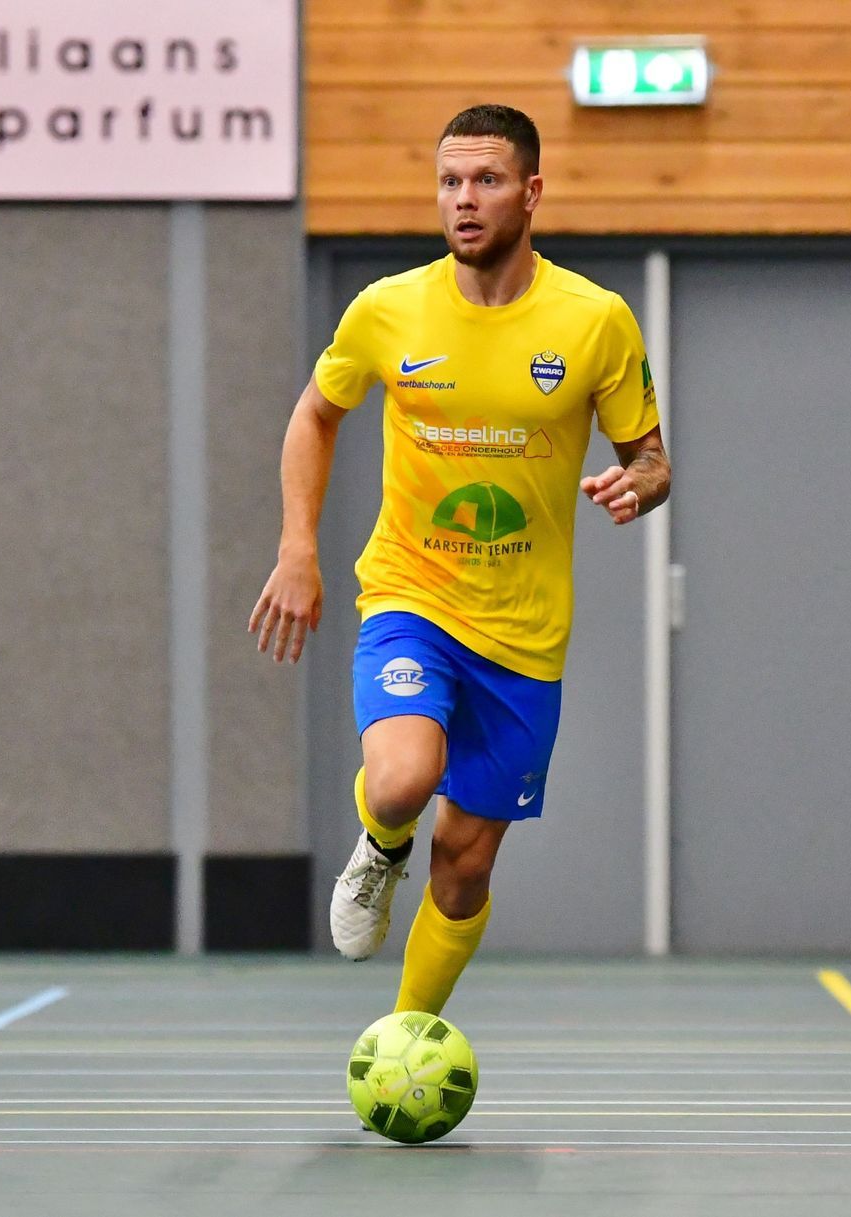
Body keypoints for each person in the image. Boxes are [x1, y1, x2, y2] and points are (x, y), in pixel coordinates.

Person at [249, 104, 669, 1018]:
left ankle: (408, 1032)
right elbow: (317, 413)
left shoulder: (595, 321)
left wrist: (638, 484)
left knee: (465, 864)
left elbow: (650, 455)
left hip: (523, 635)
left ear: (532, 192)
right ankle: (379, 844)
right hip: (412, 594)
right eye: (449, 181)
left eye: (485, 180)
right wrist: (297, 548)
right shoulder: (388, 309)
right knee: (401, 778)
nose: (464, 199)